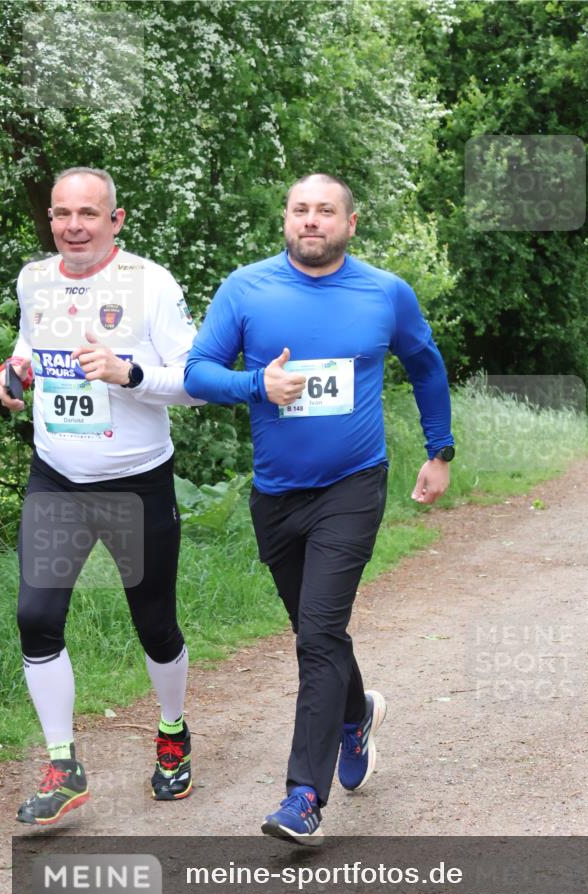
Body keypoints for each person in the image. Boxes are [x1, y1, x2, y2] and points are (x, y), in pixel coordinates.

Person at [185, 173, 454, 845]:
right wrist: (257, 383)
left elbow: (426, 366)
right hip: (276, 493)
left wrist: (439, 450)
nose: (312, 220)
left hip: (352, 486)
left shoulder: (384, 293)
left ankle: (303, 796)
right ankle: (355, 714)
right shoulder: (245, 289)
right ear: (285, 219)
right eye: (300, 209)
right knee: (317, 632)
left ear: (349, 223)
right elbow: (197, 371)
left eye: (325, 211)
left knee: (317, 634)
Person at [0, 167, 202, 825]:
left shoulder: (151, 284)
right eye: (62, 213)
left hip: (136, 483)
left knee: (155, 625)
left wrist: (127, 373)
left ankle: (172, 729)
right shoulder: (34, 279)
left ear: (116, 220)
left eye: (88, 214)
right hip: (58, 479)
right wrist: (14, 371)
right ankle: (63, 765)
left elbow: (195, 381)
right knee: (35, 617)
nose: (73, 226)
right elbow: (30, 346)